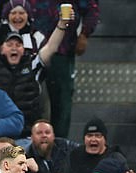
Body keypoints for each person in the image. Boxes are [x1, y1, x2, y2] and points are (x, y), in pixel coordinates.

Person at [0, 0, 70, 134]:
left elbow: (52, 47)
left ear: (24, 50)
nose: (14, 48)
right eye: (10, 44)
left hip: (26, 133)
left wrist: (62, 24)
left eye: (18, 45)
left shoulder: (33, 64)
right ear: (1, 49)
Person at [29, 0, 100, 138]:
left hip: (62, 50)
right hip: (29, 49)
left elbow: (92, 8)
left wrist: (84, 34)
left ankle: (59, 147)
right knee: (28, 99)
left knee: (62, 104)